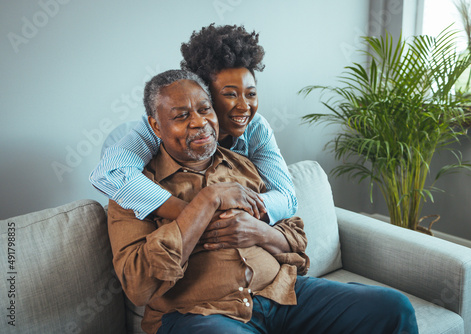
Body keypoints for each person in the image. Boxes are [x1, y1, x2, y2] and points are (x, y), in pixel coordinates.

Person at [107, 69, 418, 334]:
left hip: (283, 293)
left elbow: (296, 239)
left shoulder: (243, 165)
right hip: (201, 314)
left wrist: (260, 232)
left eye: (205, 110)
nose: (199, 122)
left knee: (393, 308)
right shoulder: (132, 190)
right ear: (155, 126)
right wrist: (207, 202)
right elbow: (138, 285)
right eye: (181, 115)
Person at [90, 24, 296, 225]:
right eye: (230, 95)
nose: (244, 107)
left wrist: (238, 215)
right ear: (205, 95)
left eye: (251, 94)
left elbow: (287, 197)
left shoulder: (256, 127)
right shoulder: (160, 127)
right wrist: (198, 214)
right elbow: (109, 172)